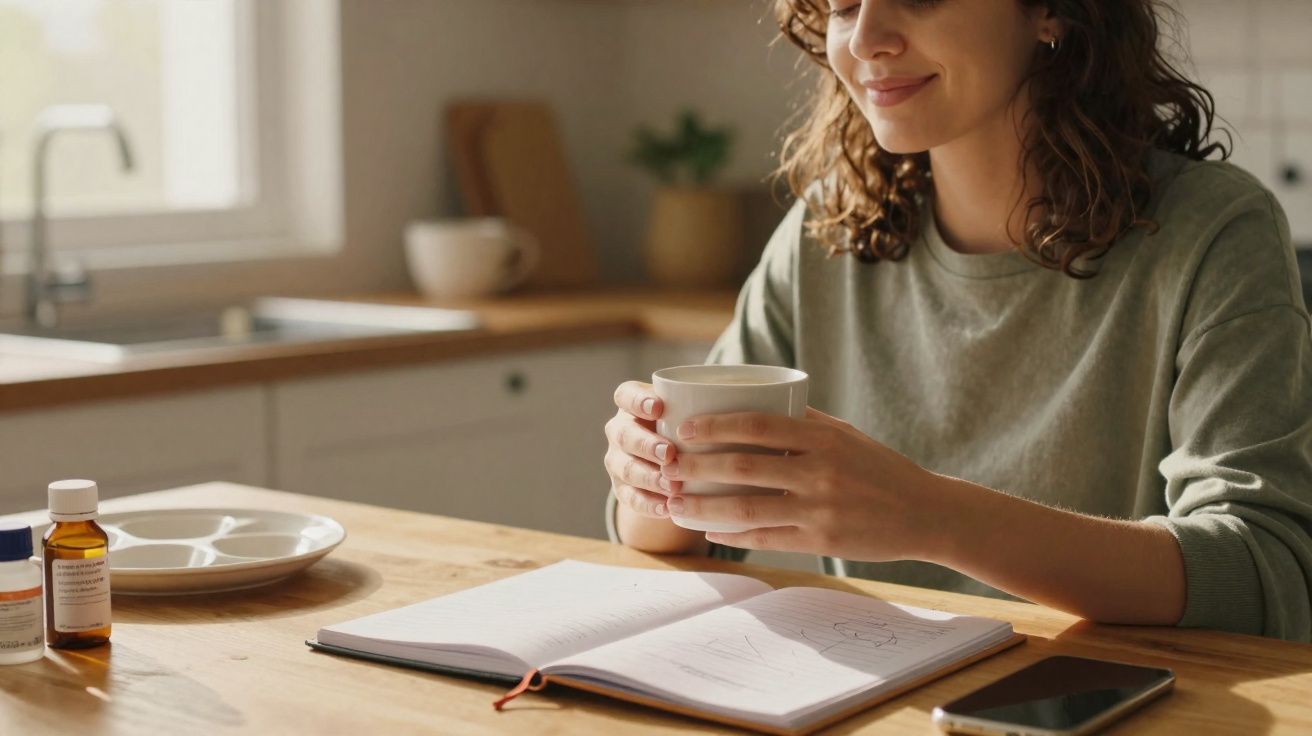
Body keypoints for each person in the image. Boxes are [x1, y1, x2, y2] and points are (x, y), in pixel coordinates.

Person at [603, 0, 1312, 643]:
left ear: (1051, 12)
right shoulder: (824, 233)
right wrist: (651, 476)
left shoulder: (1214, 233)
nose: (867, 40)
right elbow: (681, 538)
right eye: (845, 5)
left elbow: (1259, 573)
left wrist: (928, 515)